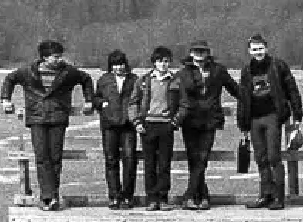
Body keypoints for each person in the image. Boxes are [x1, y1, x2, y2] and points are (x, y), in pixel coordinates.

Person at [0, 40, 96, 211]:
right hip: (37, 117)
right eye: (55, 57)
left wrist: (89, 100)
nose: (59, 60)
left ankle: (52, 195)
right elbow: (10, 79)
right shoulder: (28, 72)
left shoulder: (68, 72)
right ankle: (47, 197)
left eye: (60, 56)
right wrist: (6, 100)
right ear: (44, 57)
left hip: (58, 117)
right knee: (42, 157)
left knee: (55, 157)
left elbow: (86, 79)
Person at [235, 33, 303, 210]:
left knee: (274, 156)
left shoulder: (278, 66)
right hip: (254, 119)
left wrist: (297, 114)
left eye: (260, 48)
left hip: (273, 116)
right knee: (260, 158)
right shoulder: (246, 70)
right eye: (254, 49)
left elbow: (292, 90)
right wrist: (242, 124)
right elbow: (243, 98)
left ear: (266, 48)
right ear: (249, 51)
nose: (258, 52)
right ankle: (265, 195)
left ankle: (279, 198)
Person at [174, 39, 241, 211]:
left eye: (203, 51)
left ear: (208, 53)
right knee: (193, 159)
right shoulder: (183, 73)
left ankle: (190, 195)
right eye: (196, 51)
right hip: (189, 120)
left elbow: (236, 90)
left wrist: (255, 100)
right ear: (190, 53)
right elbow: (173, 96)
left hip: (210, 120)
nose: (199, 54)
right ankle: (202, 195)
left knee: (202, 158)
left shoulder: (219, 70)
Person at [134, 46, 181, 211]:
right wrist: (137, 122)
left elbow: (183, 103)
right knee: (149, 164)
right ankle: (151, 198)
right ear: (154, 62)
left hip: (166, 125)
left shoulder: (175, 80)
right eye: (160, 61)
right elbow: (134, 102)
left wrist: (175, 121)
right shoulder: (144, 80)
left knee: (164, 163)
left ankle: (163, 197)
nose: (163, 64)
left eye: (166, 61)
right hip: (148, 125)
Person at [93, 50, 141, 209]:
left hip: (128, 125)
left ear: (125, 64)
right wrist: (102, 104)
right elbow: (96, 97)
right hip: (109, 124)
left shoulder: (134, 79)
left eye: (121, 64)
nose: (118, 68)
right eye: (115, 65)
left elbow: (140, 98)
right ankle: (114, 196)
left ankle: (128, 196)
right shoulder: (104, 80)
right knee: (111, 160)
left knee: (130, 159)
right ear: (110, 66)